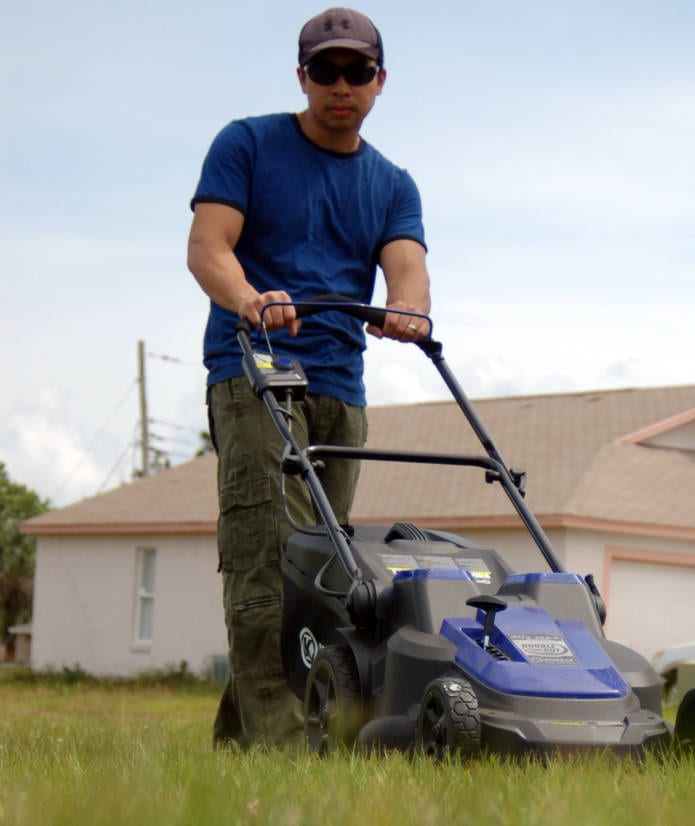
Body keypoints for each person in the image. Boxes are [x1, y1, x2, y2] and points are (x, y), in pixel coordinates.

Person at [186, 7, 431, 750]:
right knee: (267, 557)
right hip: (256, 374)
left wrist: (408, 313)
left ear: (380, 81)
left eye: (357, 72)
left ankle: (237, 742)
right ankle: (286, 747)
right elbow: (208, 247)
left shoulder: (392, 183)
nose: (341, 85)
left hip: (339, 392)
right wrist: (251, 299)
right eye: (325, 70)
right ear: (303, 76)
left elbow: (409, 272)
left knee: (320, 575)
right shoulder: (248, 144)